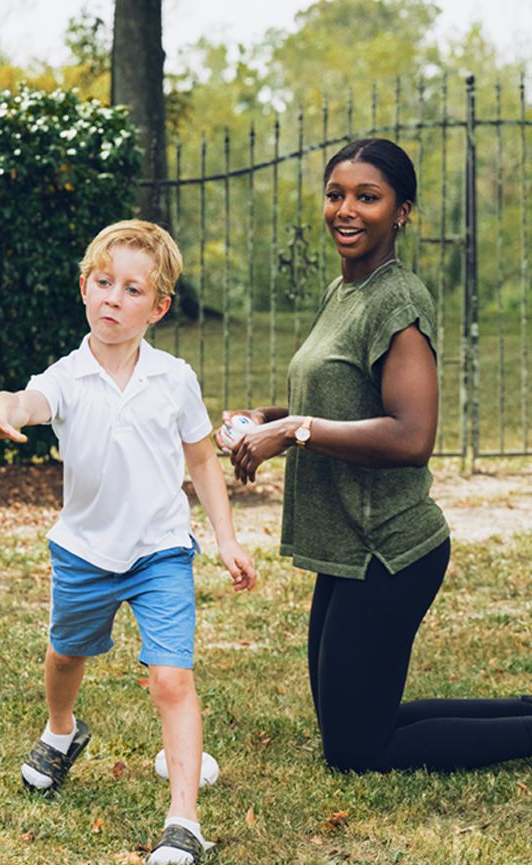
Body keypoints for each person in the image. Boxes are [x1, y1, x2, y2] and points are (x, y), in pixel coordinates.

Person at [218, 138, 532, 773]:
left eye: (368, 197)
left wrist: (298, 430)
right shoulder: (346, 291)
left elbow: (412, 437)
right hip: (349, 547)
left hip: (390, 548)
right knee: (356, 722)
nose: (346, 209)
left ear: (401, 212)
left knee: (357, 751)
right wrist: (266, 419)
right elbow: (336, 399)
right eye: (337, 194)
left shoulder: (398, 301)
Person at [0, 219, 257, 865]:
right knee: (66, 654)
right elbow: (27, 399)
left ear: (158, 307)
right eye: (103, 283)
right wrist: (3, 413)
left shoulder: (174, 378)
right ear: (84, 288)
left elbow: (204, 462)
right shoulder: (68, 376)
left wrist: (227, 539)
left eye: (131, 290)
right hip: (84, 553)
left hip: (160, 553)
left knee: (171, 678)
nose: (112, 299)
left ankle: (184, 821)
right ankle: (61, 732)